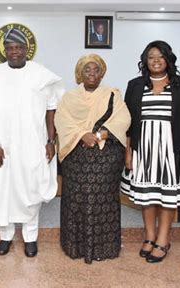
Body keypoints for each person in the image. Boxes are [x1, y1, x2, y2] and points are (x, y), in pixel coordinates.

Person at [0, 28, 64, 258]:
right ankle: (5, 236)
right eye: (10, 48)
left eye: (19, 47)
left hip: (33, 145)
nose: (15, 51)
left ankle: (30, 238)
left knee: (30, 191)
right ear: (4, 50)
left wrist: (50, 140)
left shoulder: (42, 75)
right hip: (1, 147)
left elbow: (51, 110)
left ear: (26, 49)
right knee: (4, 192)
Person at [120, 40, 180, 263]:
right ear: (145, 60)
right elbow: (129, 123)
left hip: (172, 149)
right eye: (151, 56)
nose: (155, 61)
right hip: (144, 149)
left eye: (160, 56)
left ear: (168, 60)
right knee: (147, 197)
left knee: (167, 197)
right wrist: (128, 152)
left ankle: (163, 239)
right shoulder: (134, 85)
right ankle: (150, 236)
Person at [55, 54, 131, 264]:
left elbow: (124, 119)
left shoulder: (112, 94)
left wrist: (100, 135)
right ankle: (75, 246)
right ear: (80, 73)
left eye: (96, 69)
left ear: (101, 73)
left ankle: (104, 247)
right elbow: (61, 120)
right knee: (76, 199)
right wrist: (82, 134)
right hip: (76, 155)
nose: (91, 73)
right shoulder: (69, 97)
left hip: (106, 154)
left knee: (103, 198)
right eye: (87, 70)